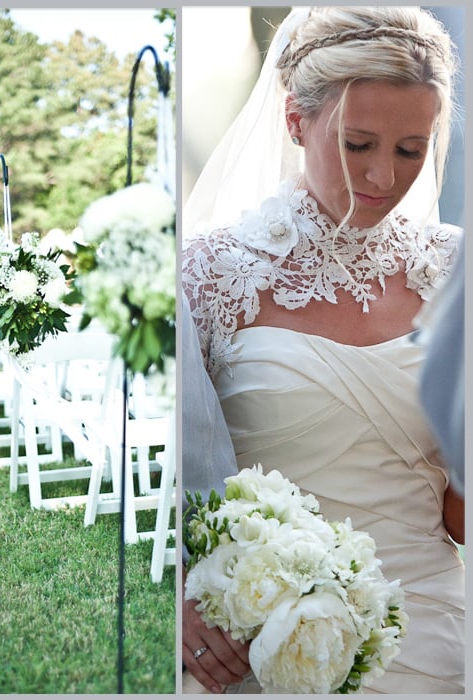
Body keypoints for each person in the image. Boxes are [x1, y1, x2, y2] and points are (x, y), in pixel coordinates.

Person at [181, 6, 464, 694]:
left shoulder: (457, 270)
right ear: (295, 122)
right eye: (357, 143)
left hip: (432, 632)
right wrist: (183, 593)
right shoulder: (210, 275)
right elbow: (168, 475)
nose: (383, 178)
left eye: (409, 149)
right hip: (262, 640)